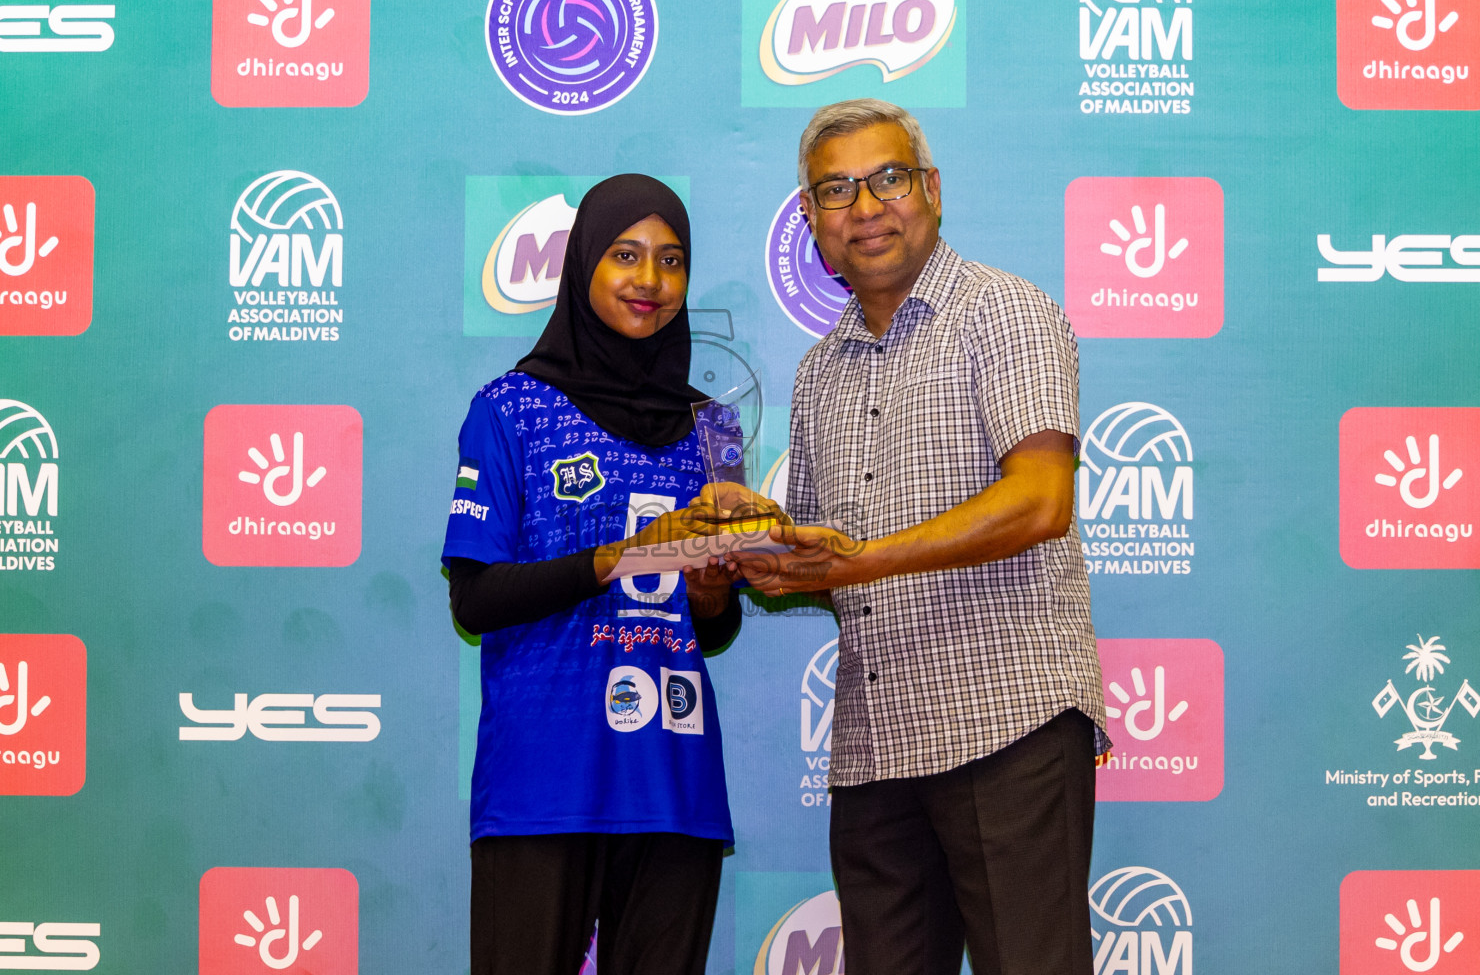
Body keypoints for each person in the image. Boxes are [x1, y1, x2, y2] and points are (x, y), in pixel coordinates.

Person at [725, 100, 1109, 975]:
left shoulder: (1003, 313)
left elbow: (1042, 501)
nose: (865, 207)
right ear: (813, 226)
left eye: (887, 178)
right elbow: (835, 557)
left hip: (1003, 721)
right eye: (836, 191)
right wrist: (756, 556)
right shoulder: (819, 371)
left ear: (930, 190)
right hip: (874, 746)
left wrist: (863, 559)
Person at [441, 174, 740, 975]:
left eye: (672, 260)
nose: (651, 280)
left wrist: (714, 583)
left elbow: (715, 625)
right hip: (543, 784)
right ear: (581, 266)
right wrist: (632, 552)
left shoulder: (714, 431)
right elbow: (475, 598)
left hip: (674, 783)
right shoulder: (510, 410)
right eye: (626, 255)